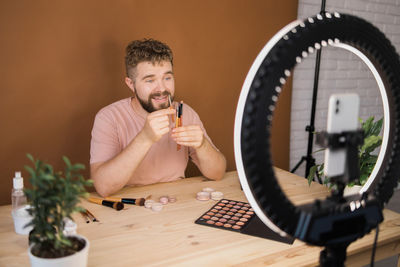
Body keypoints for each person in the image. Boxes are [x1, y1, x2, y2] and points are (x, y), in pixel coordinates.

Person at [90, 39, 226, 197]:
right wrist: (145, 138)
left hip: (176, 202)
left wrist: (202, 145)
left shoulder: (184, 112)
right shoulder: (108, 118)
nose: (161, 88)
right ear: (130, 84)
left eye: (167, 78)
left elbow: (217, 173)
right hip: (129, 206)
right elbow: (103, 187)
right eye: (150, 80)